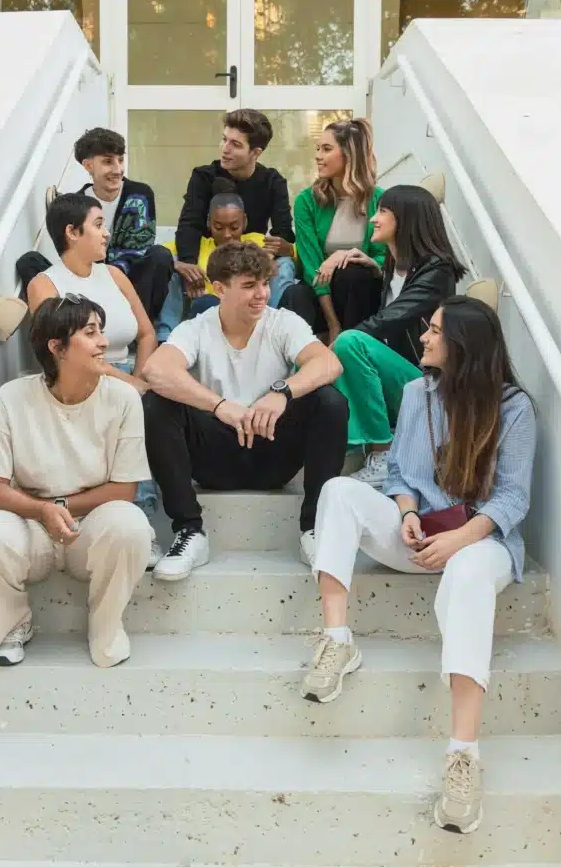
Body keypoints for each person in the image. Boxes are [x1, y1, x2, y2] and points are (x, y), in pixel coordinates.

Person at [300, 295, 536, 835]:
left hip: (480, 543)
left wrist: (459, 540)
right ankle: (337, 640)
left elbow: (513, 499)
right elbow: (402, 475)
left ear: (465, 347)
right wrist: (406, 513)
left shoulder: (515, 408)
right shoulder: (415, 393)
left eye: (434, 332)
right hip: (421, 536)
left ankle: (463, 756)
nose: (424, 339)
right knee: (338, 490)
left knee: (471, 572)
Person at [0, 296, 155, 669]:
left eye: (102, 331)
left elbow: (124, 490)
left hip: (90, 525)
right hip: (29, 523)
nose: (103, 342)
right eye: (90, 332)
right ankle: (10, 627)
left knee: (131, 526)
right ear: (57, 347)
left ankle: (106, 626)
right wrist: (42, 510)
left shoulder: (124, 398)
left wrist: (60, 508)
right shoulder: (12, 397)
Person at [142, 242, 347, 581]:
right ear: (219, 288)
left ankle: (314, 530)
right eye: (249, 285)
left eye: (265, 283)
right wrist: (220, 406)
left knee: (329, 401)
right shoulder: (197, 327)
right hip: (214, 457)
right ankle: (190, 532)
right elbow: (156, 370)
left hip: (273, 452)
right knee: (156, 402)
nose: (262, 294)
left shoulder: (283, 323)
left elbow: (328, 362)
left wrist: (282, 392)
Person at [25, 192, 161, 557]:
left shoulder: (114, 274)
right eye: (98, 226)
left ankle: (143, 525)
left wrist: (139, 375)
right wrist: (124, 382)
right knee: (131, 404)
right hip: (78, 377)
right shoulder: (44, 284)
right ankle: (134, 526)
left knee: (150, 405)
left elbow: (147, 333)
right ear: (71, 232)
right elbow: (56, 349)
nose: (107, 234)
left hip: (129, 372)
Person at [330, 184, 467, 489]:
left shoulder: (437, 271)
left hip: (429, 382)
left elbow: (390, 320)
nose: (373, 219)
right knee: (325, 361)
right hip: (402, 378)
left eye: (383, 211)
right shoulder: (393, 266)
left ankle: (383, 450)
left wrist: (334, 347)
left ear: (406, 219)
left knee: (349, 343)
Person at [17, 128, 173, 323]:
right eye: (108, 161)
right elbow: (71, 255)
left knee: (160, 256)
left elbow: (137, 250)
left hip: (129, 287)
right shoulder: (75, 205)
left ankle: (138, 327)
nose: (117, 169)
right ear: (88, 165)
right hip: (84, 287)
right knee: (29, 262)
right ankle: (62, 328)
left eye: (120, 160)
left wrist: (106, 280)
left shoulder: (140, 194)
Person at [175, 109, 296, 309]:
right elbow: (190, 224)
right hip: (209, 256)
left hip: (253, 258)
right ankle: (167, 333)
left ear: (255, 153)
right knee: (173, 263)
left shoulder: (272, 181)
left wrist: (267, 256)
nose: (225, 148)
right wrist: (188, 262)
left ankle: (269, 325)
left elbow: (282, 232)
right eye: (224, 140)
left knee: (284, 265)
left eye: (235, 144)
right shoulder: (203, 176)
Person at [280, 119, 386, 343]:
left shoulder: (378, 199)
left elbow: (382, 257)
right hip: (321, 295)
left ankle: (354, 349)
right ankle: (298, 367)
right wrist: (333, 324)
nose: (318, 156)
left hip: (361, 294)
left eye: (327, 149)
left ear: (349, 154)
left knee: (355, 273)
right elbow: (311, 267)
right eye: (318, 149)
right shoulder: (306, 201)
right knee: (295, 294)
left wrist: (345, 256)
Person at [157, 185, 294, 339]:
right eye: (219, 227)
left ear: (244, 221)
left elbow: (298, 257)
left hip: (252, 311)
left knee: (285, 263)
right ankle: (166, 338)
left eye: (234, 227)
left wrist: (288, 249)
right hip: (206, 314)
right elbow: (155, 257)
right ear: (209, 223)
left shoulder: (257, 242)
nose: (227, 234)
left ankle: (270, 328)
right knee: (171, 271)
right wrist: (178, 265)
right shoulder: (197, 246)